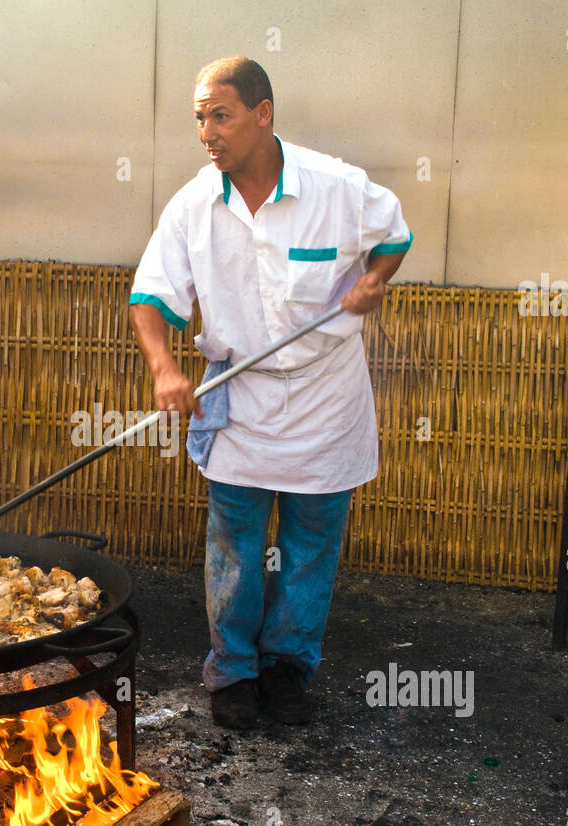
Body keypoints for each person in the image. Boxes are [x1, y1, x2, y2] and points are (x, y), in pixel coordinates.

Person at [128, 57, 411, 728]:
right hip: (243, 396)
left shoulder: (336, 187)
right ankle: (232, 672)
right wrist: (165, 367)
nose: (207, 132)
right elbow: (150, 298)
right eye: (199, 118)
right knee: (236, 541)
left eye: (219, 115)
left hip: (325, 395)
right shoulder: (195, 205)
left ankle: (288, 667)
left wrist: (375, 279)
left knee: (312, 541)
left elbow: (394, 236)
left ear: (263, 113)